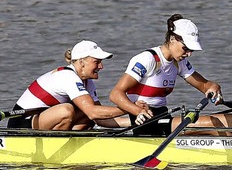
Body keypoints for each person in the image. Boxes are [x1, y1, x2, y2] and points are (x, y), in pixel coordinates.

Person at [109, 14, 232, 136]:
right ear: (172, 39)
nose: (188, 54)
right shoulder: (148, 59)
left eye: (191, 50)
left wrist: (214, 87)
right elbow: (115, 94)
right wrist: (137, 110)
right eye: (186, 48)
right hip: (145, 122)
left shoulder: (179, 62)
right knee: (213, 124)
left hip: (164, 119)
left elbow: (204, 85)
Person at [7, 40, 137, 130]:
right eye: (96, 62)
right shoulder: (67, 76)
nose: (101, 66)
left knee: (84, 113)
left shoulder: (87, 82)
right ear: (81, 62)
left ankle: (72, 145)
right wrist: (130, 108)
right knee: (67, 110)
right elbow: (93, 112)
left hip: (43, 118)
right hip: (22, 123)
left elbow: (100, 118)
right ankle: (58, 149)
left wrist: (136, 120)